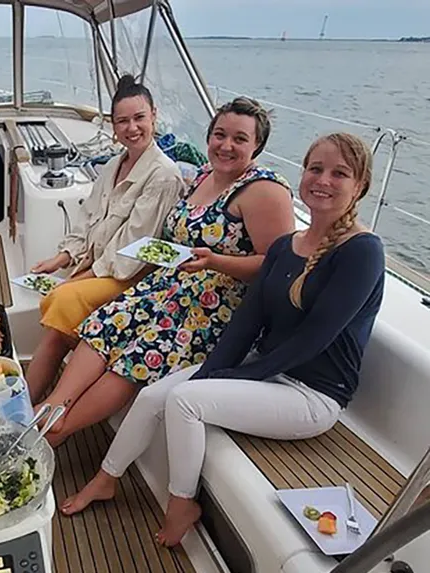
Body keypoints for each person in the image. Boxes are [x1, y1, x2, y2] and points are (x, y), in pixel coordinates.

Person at [60, 133, 384, 547]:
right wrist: (215, 371)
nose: (322, 180)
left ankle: (181, 506)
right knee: (153, 395)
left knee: (185, 401)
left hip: (312, 395)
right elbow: (246, 324)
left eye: (340, 173)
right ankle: (105, 480)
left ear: (360, 186)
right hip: (267, 371)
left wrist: (237, 376)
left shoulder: (362, 251)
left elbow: (314, 339)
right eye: (315, 169)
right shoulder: (286, 247)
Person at [38, 97, 296, 446]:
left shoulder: (265, 190)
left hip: (210, 306)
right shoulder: (205, 176)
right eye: (219, 135)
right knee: (103, 325)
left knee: (139, 353)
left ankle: (57, 432)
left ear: (257, 145)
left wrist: (217, 261)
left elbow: (278, 265)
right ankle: (53, 407)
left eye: (239, 139)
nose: (226, 145)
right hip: (167, 286)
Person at [26, 74, 185, 402]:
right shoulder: (114, 164)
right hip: (103, 268)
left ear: (154, 115)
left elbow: (132, 249)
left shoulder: (164, 176)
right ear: (113, 127)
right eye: (122, 121)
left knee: (63, 299)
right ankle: (31, 406)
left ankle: (39, 404)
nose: (132, 128)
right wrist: (63, 257)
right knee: (58, 315)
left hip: (133, 274)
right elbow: (87, 221)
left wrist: (79, 278)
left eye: (139, 118)